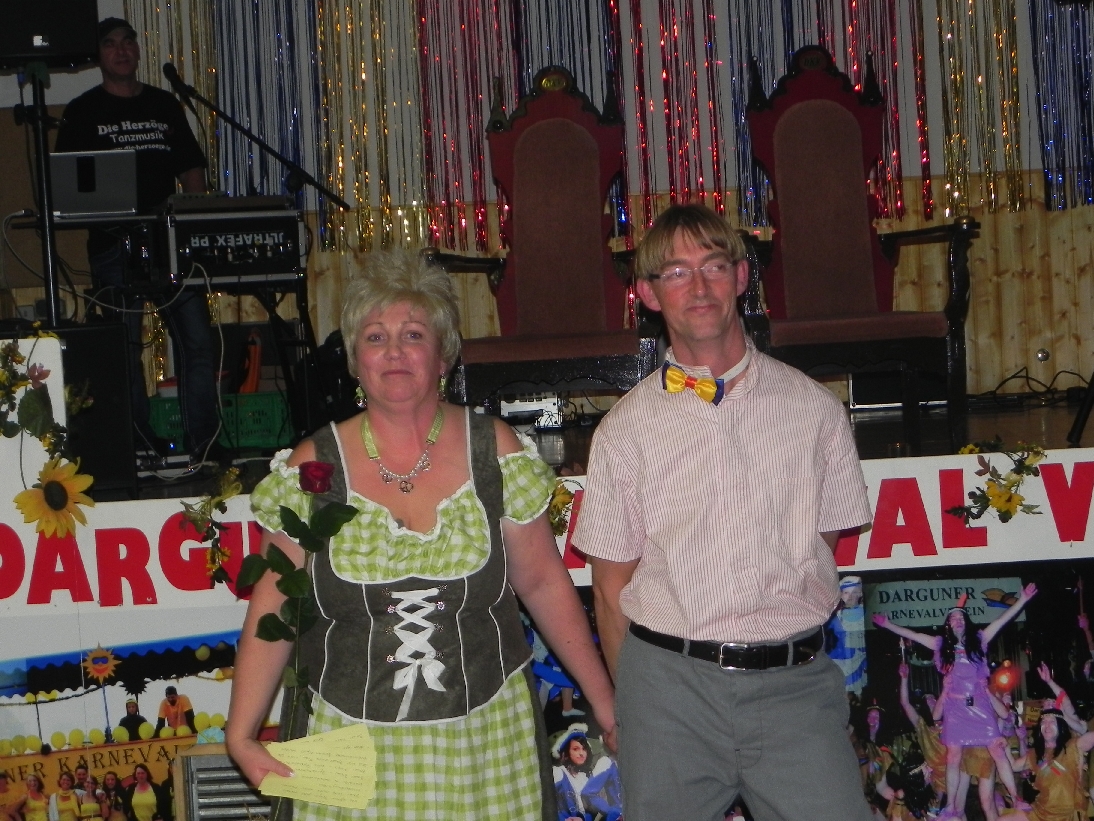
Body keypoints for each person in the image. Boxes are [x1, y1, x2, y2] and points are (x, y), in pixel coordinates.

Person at [226, 250, 616, 820]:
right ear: (355, 360)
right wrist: (240, 734)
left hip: (484, 739)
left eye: (412, 335)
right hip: (343, 737)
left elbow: (541, 583)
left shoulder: (494, 451)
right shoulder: (312, 467)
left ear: (443, 355)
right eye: (375, 337)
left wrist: (604, 701)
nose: (394, 352)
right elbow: (276, 605)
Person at [572, 203, 874, 821]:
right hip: (669, 695)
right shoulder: (624, 430)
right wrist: (635, 711)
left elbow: (822, 545)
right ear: (647, 294)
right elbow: (609, 590)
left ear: (741, 277)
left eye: (713, 265)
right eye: (676, 272)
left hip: (794, 690)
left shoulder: (814, 411)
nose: (699, 286)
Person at [54, 17, 219, 465]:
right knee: (123, 350)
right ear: (99, 56)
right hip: (114, 246)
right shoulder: (83, 110)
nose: (121, 51)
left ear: (137, 50)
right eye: (110, 44)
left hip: (170, 243)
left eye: (128, 42)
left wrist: (194, 218)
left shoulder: (164, 105)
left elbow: (191, 169)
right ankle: (139, 444)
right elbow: (67, 183)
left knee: (197, 343)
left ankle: (204, 443)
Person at [872, 586, 1037, 819]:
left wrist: (1023, 599)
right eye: (953, 618)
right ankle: (950, 806)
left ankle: (1016, 797)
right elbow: (913, 635)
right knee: (953, 756)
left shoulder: (980, 640)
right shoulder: (940, 645)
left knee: (998, 751)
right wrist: (888, 625)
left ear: (966, 622)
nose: (958, 620)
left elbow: (1002, 620)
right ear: (948, 625)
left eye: (961, 617)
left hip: (979, 705)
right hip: (956, 709)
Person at [1003, 708, 1094, 821]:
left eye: (1052, 721)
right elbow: (1013, 766)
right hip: (1040, 812)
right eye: (1044, 722)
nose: (1047, 725)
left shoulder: (1072, 746)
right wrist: (1005, 745)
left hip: (1068, 815)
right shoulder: (1035, 754)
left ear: (1060, 725)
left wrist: (1065, 714)